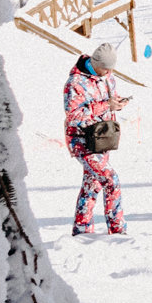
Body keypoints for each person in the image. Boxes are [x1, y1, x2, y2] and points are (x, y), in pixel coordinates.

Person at [65, 43, 127, 235]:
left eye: (111, 69)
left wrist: (117, 103)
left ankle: (82, 230)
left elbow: (110, 99)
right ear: (96, 63)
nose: (109, 72)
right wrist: (104, 106)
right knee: (111, 179)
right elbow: (73, 116)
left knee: (92, 184)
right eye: (106, 68)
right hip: (82, 139)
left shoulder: (107, 77)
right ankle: (117, 230)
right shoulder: (75, 83)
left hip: (103, 137)